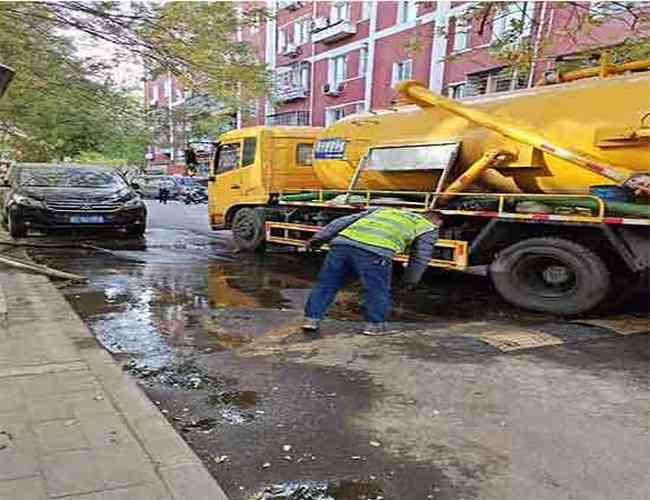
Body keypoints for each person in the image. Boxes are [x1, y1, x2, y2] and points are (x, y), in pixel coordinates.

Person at [302, 207, 443, 336]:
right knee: (376, 289)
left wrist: (318, 238)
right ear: (438, 221)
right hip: (375, 252)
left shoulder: (383, 210)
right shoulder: (428, 227)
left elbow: (342, 221)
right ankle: (375, 326)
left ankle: (311, 320)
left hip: (342, 245)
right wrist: (410, 280)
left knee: (327, 284)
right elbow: (420, 257)